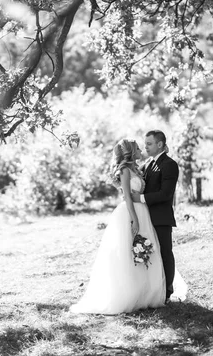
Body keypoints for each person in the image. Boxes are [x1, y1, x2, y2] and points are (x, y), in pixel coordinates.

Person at [70, 139, 166, 314]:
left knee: (144, 250)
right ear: (130, 151)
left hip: (143, 212)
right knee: (128, 251)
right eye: (137, 148)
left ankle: (145, 294)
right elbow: (127, 197)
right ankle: (127, 295)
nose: (140, 149)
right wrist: (134, 219)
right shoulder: (124, 170)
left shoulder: (136, 168)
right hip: (130, 213)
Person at [131, 130, 181, 302]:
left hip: (161, 217)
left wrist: (141, 198)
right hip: (145, 217)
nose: (146, 146)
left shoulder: (169, 165)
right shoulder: (147, 164)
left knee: (165, 252)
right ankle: (154, 289)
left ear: (160, 144)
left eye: (149, 143)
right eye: (145, 144)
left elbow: (166, 194)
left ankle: (167, 291)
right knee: (152, 254)